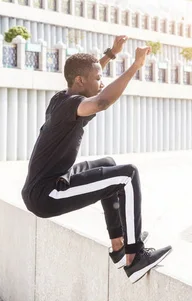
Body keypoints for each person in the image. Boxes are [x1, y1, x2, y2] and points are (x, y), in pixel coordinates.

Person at [21, 35, 172, 284]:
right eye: (98, 78)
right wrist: (134, 66)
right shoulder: (71, 105)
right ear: (80, 81)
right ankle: (135, 257)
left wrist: (111, 54)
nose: (102, 83)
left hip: (48, 184)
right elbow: (102, 101)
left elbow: (88, 76)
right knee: (128, 174)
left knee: (109, 165)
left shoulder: (62, 98)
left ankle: (119, 246)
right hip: (47, 195)